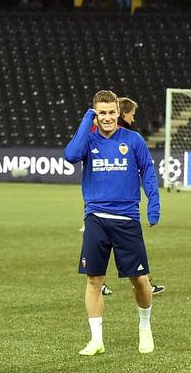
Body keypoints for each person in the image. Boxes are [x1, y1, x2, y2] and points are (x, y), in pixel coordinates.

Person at [64, 90, 160, 356]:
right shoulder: (88, 139)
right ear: (96, 114)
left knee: (139, 279)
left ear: (118, 113)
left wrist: (153, 204)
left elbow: (148, 173)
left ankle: (144, 328)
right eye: (101, 113)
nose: (107, 118)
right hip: (96, 218)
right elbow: (71, 155)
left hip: (127, 219)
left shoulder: (133, 140)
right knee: (94, 280)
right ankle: (96, 340)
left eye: (111, 112)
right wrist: (87, 119)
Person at [117, 98, 164, 294]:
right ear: (124, 113)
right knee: (132, 253)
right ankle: (145, 285)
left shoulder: (132, 139)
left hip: (117, 210)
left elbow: (147, 171)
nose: (134, 118)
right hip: (119, 211)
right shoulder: (99, 136)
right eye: (132, 114)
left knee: (117, 254)